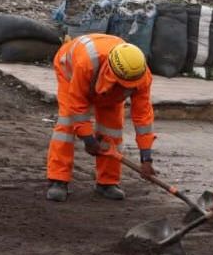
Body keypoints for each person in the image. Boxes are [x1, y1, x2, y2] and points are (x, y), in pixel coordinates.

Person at [45, 34, 156, 202]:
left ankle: (107, 182)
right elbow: (77, 105)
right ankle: (58, 179)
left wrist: (146, 157)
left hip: (106, 88)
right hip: (70, 73)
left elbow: (143, 116)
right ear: (113, 72)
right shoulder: (86, 63)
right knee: (67, 123)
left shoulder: (141, 75)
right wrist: (88, 139)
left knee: (112, 129)